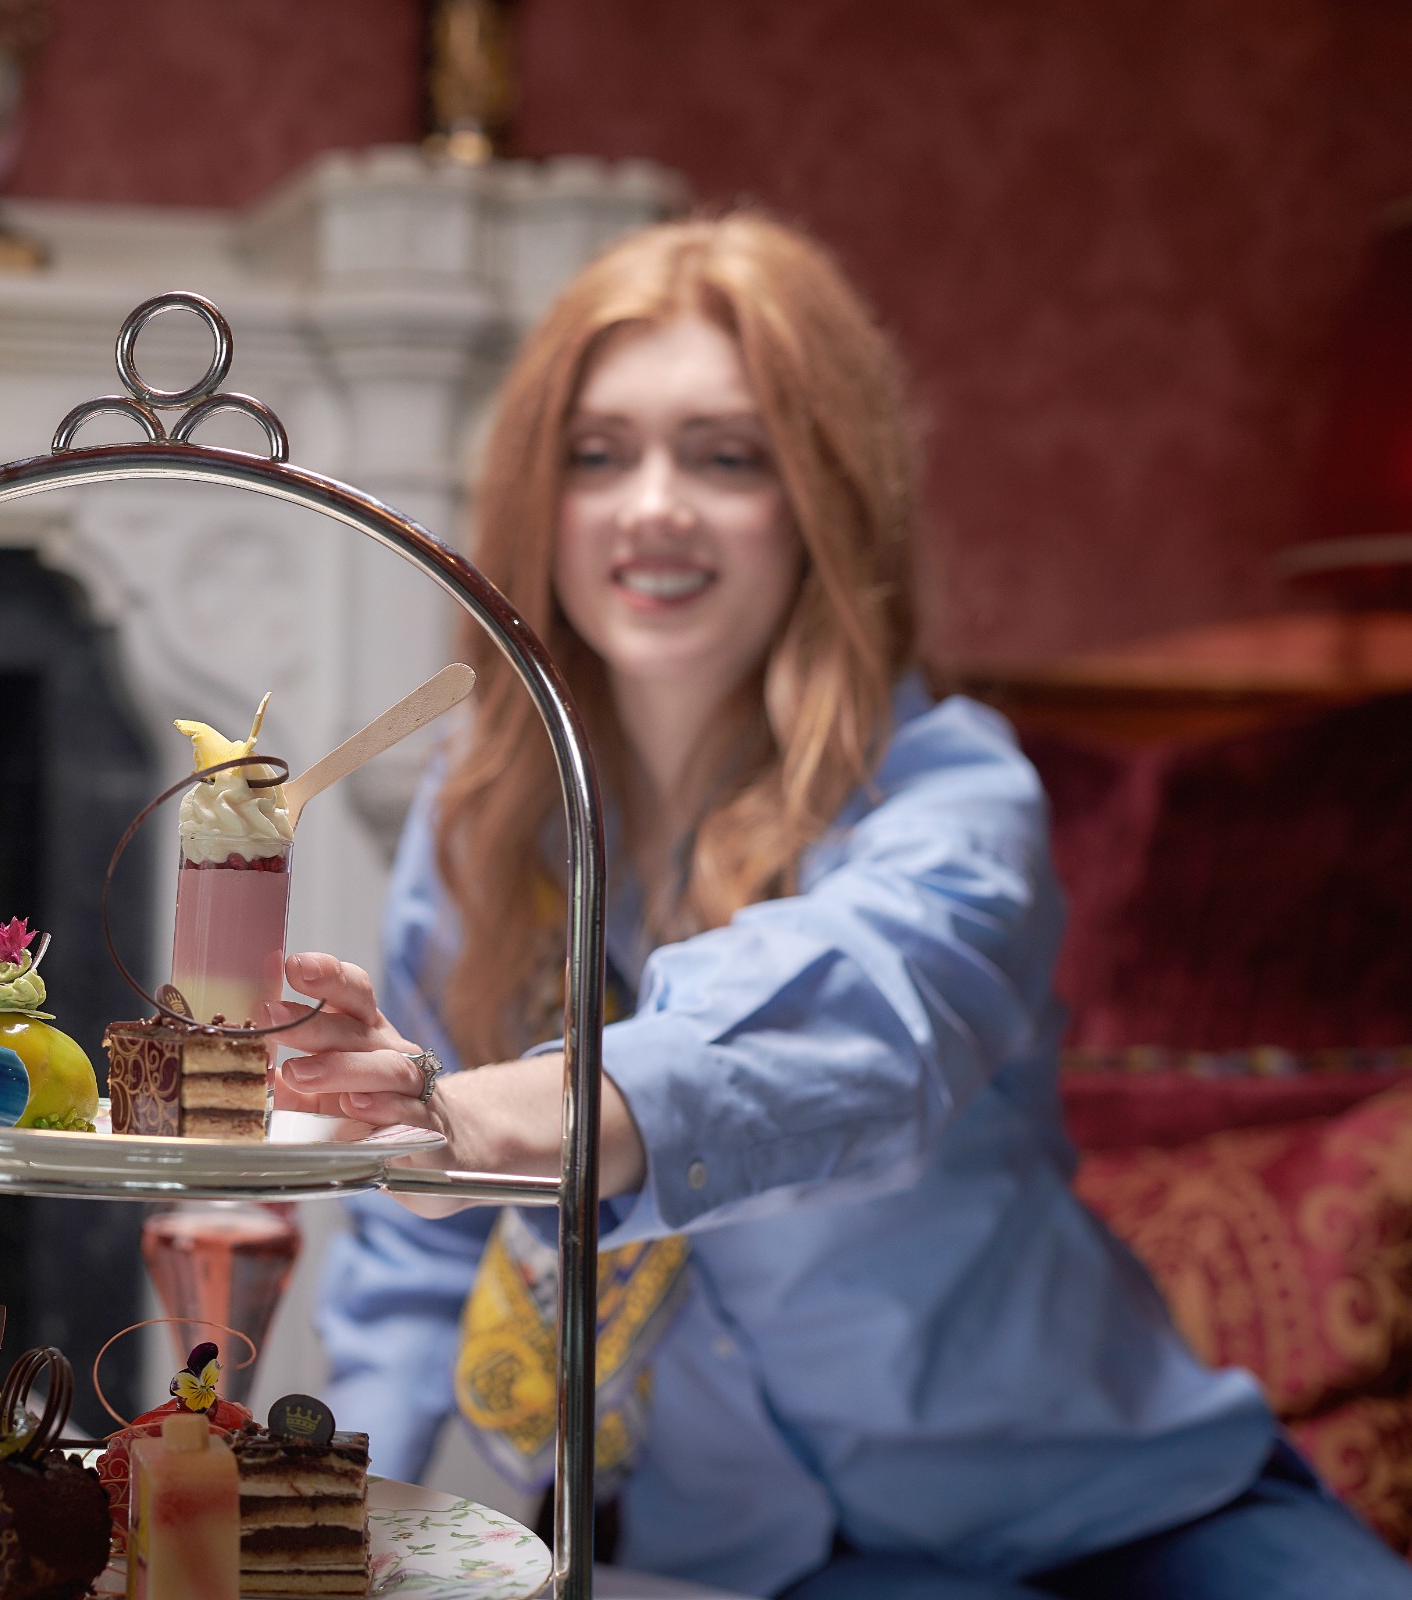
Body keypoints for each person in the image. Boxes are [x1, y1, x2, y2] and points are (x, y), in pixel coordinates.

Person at [266, 213, 1412, 1599]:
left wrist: (485, 1116)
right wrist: (332, 1523)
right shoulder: (475, 814)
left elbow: (867, 1016)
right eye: (599, 452)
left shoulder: (953, 789)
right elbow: (406, 1260)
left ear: (822, 499)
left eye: (728, 455)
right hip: (770, 1558)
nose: (655, 505)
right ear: (536, 497)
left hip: (1123, 1501)